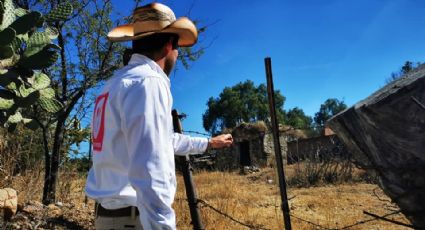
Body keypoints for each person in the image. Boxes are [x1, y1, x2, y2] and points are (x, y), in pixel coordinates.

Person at [85, 3, 233, 230]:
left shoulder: (113, 85)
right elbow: (151, 170)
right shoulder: (148, 82)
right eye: (177, 47)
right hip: (135, 221)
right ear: (168, 44)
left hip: (109, 217)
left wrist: (209, 143)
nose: (176, 54)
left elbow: (160, 140)